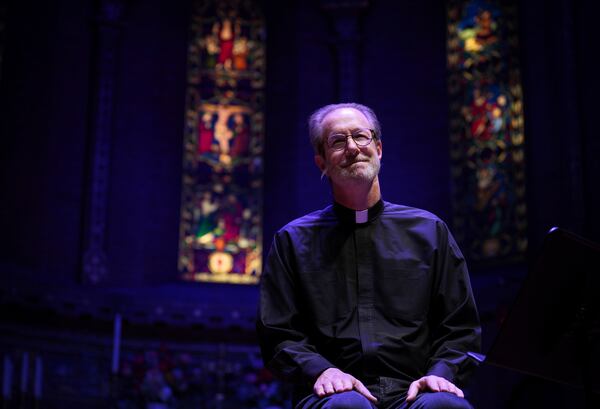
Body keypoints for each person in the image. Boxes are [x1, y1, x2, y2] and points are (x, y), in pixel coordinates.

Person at [256, 103, 481, 408]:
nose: (352, 148)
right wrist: (323, 370)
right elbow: (279, 332)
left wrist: (441, 373)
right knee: (347, 407)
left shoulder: (429, 231)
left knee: (445, 406)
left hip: (415, 391)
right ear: (321, 161)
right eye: (338, 141)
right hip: (331, 393)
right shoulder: (293, 241)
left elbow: (460, 325)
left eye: (361, 137)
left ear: (378, 147)